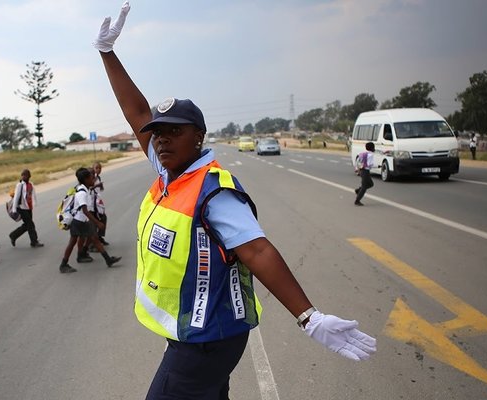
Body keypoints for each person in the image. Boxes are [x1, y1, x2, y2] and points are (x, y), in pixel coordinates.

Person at [95, 3, 376, 398]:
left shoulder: (214, 190)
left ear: (199, 137)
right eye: (158, 134)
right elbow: (138, 111)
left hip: (206, 341)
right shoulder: (170, 173)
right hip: (198, 334)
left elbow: (258, 250)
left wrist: (309, 318)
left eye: (173, 132)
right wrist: (108, 52)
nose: (161, 139)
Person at [58, 167, 121, 274]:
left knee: (94, 239)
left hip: (82, 221)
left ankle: (107, 259)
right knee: (74, 242)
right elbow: (85, 211)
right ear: (86, 180)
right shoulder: (82, 193)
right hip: (79, 222)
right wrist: (98, 223)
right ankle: (64, 264)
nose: (93, 180)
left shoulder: (84, 189)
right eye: (91, 178)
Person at [9, 169, 44, 248]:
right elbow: (16, 197)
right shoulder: (20, 185)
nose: (23, 176)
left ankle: (13, 235)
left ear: (29, 176)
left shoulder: (31, 184)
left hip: (28, 208)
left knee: (27, 225)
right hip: (21, 208)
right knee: (30, 224)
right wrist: (14, 209)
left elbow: (33, 194)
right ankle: (34, 242)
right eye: (22, 175)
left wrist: (35, 203)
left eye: (25, 175)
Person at [354, 142, 375, 206]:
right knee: (364, 186)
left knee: (371, 184)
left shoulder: (363, 153)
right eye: (374, 147)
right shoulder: (371, 155)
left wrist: (357, 169)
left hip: (361, 170)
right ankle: (357, 201)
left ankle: (358, 190)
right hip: (365, 171)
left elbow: (358, 161)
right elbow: (370, 164)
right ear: (372, 148)